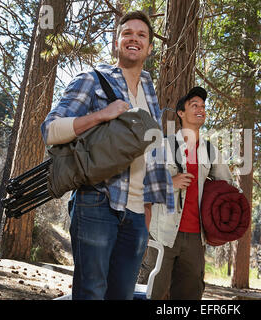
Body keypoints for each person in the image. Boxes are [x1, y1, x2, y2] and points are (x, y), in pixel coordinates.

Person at [40, 11, 174, 300]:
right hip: (97, 202)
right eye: (127, 33)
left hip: (137, 216)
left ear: (150, 47)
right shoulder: (92, 79)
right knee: (91, 293)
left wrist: (146, 213)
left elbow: (151, 156)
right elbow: (50, 129)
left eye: (142, 35)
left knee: (122, 296)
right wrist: (102, 115)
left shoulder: (150, 92)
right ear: (116, 43)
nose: (134, 39)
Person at [139, 86, 236, 300]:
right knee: (151, 293)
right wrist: (169, 182)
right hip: (162, 234)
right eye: (194, 105)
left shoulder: (210, 151)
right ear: (181, 113)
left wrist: (218, 217)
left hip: (195, 239)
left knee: (189, 298)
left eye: (203, 106)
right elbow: (139, 188)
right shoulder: (162, 146)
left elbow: (228, 189)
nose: (201, 109)